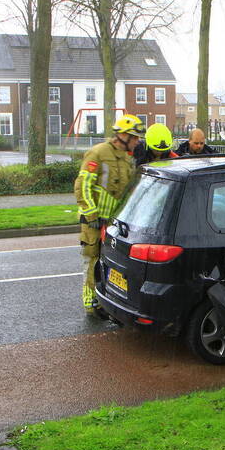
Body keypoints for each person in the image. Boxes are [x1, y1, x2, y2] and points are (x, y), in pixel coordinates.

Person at [74, 114, 142, 314]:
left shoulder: (128, 159)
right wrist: (91, 215)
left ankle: (105, 297)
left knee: (111, 263)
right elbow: (82, 185)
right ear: (123, 135)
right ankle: (91, 303)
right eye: (135, 137)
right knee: (92, 260)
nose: (137, 142)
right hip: (94, 223)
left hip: (113, 224)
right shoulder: (98, 153)